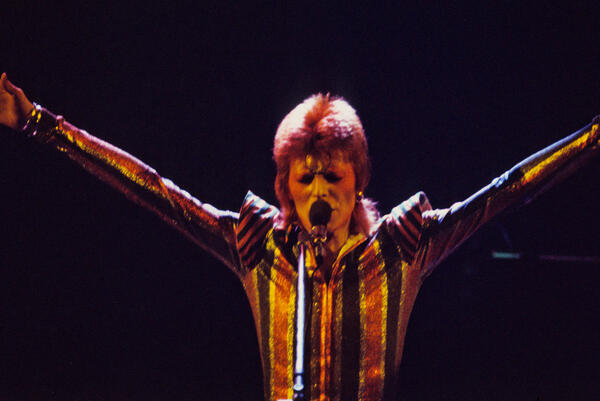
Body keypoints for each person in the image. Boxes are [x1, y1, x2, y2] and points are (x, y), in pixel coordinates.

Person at [0, 72, 598, 401]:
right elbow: (154, 190)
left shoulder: (401, 248)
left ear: (357, 181)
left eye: (333, 177)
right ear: (284, 186)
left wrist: (591, 139)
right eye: (305, 178)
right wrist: (37, 123)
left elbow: (502, 192)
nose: (320, 191)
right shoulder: (260, 249)